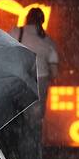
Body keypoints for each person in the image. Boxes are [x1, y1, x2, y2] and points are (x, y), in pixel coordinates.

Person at [9, 8, 59, 138]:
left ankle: (16, 146)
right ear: (42, 21)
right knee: (35, 120)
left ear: (27, 18)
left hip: (19, 78)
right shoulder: (48, 41)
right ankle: (33, 146)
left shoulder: (16, 32)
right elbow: (54, 70)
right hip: (40, 80)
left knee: (16, 115)